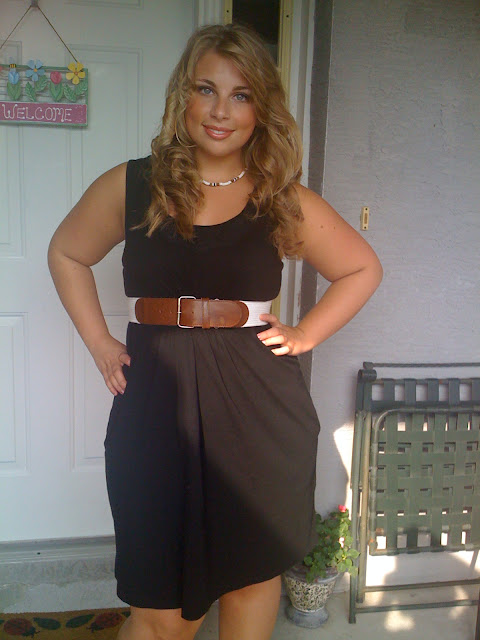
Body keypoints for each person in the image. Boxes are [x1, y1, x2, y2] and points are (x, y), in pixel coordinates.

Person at [48, 22, 382, 640]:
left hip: (258, 407)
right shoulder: (133, 185)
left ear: (261, 108)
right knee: (160, 607)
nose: (221, 110)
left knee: (250, 579)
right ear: (184, 95)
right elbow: (67, 252)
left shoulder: (280, 199)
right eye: (207, 89)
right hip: (156, 406)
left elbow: (361, 268)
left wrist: (306, 334)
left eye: (241, 94)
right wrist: (100, 343)